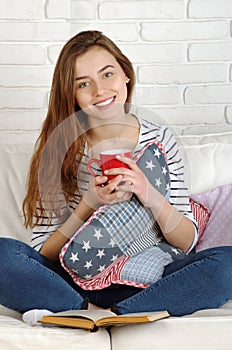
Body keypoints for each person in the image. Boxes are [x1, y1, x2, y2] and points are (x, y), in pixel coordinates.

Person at [0, 30, 232, 325]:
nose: (99, 91)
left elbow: (187, 243)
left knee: (227, 263)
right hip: (74, 278)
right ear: (71, 94)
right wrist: (89, 204)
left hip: (153, 278)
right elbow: (43, 251)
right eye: (84, 83)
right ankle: (90, 311)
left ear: (125, 74)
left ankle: (113, 315)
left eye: (107, 74)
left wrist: (148, 193)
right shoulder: (59, 148)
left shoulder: (159, 140)